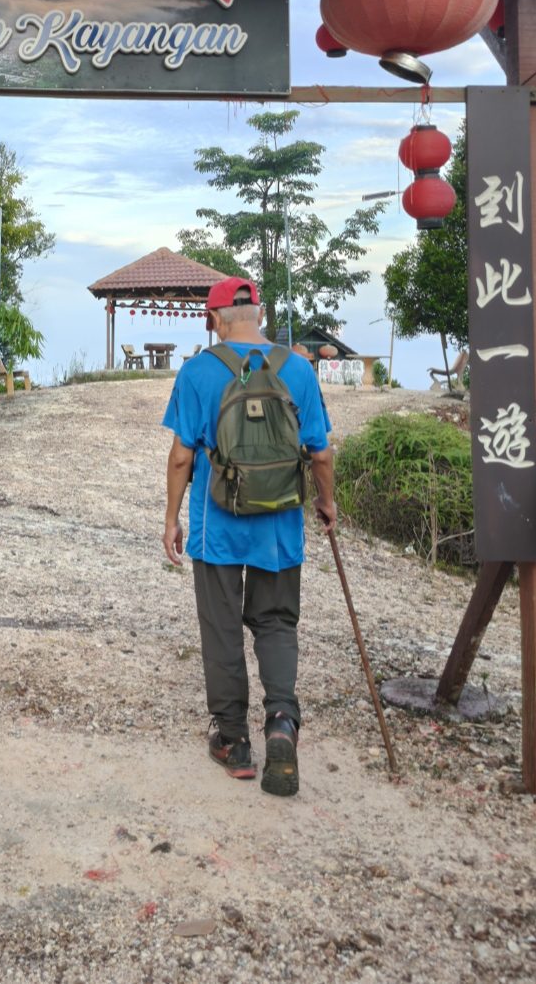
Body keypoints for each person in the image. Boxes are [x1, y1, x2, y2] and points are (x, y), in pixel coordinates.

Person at [162, 278, 336, 797]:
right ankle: (282, 721)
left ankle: (233, 741)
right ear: (258, 314)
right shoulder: (298, 369)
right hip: (280, 524)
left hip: (218, 525)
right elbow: (321, 453)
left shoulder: (197, 371)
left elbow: (181, 456)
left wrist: (171, 518)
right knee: (277, 623)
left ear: (214, 318)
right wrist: (325, 502)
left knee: (221, 627)